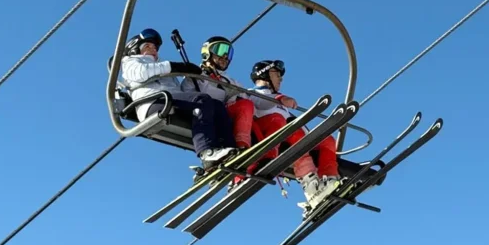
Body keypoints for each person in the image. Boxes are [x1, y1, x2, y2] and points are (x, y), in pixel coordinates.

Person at [118, 27, 236, 167]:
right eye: (148, 46)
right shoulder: (130, 63)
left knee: (216, 106)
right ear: (134, 49)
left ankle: (229, 149)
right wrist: (176, 67)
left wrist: (192, 79)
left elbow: (180, 91)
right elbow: (142, 73)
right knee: (201, 100)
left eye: (155, 47)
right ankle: (206, 152)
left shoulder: (159, 64)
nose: (154, 49)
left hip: (169, 99)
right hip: (153, 102)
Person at [246, 59, 341, 211]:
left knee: (327, 141)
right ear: (264, 75)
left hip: (291, 133)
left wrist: (312, 136)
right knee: (295, 133)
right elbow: (261, 104)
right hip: (272, 136)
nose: (280, 79)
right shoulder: (252, 93)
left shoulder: (278, 102)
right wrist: (281, 99)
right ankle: (311, 188)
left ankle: (331, 180)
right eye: (277, 74)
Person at [180, 35, 255, 151]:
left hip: (224, 113)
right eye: (221, 50)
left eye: (229, 53)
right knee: (219, 106)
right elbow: (187, 94)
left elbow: (246, 97)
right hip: (204, 113)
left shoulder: (229, 80)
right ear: (207, 52)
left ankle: (257, 153)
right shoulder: (196, 75)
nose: (225, 56)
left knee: (248, 108)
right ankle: (239, 148)